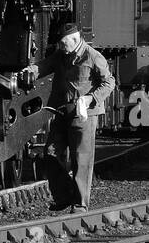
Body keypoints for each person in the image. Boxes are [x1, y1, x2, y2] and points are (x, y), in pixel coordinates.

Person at [25, 23, 115, 212]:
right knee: (50, 154)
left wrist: (91, 98)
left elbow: (109, 82)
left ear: (74, 40)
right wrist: (29, 72)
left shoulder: (93, 56)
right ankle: (64, 196)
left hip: (84, 114)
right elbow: (44, 65)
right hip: (61, 111)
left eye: (64, 44)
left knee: (81, 158)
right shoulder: (61, 54)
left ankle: (80, 203)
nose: (61, 47)